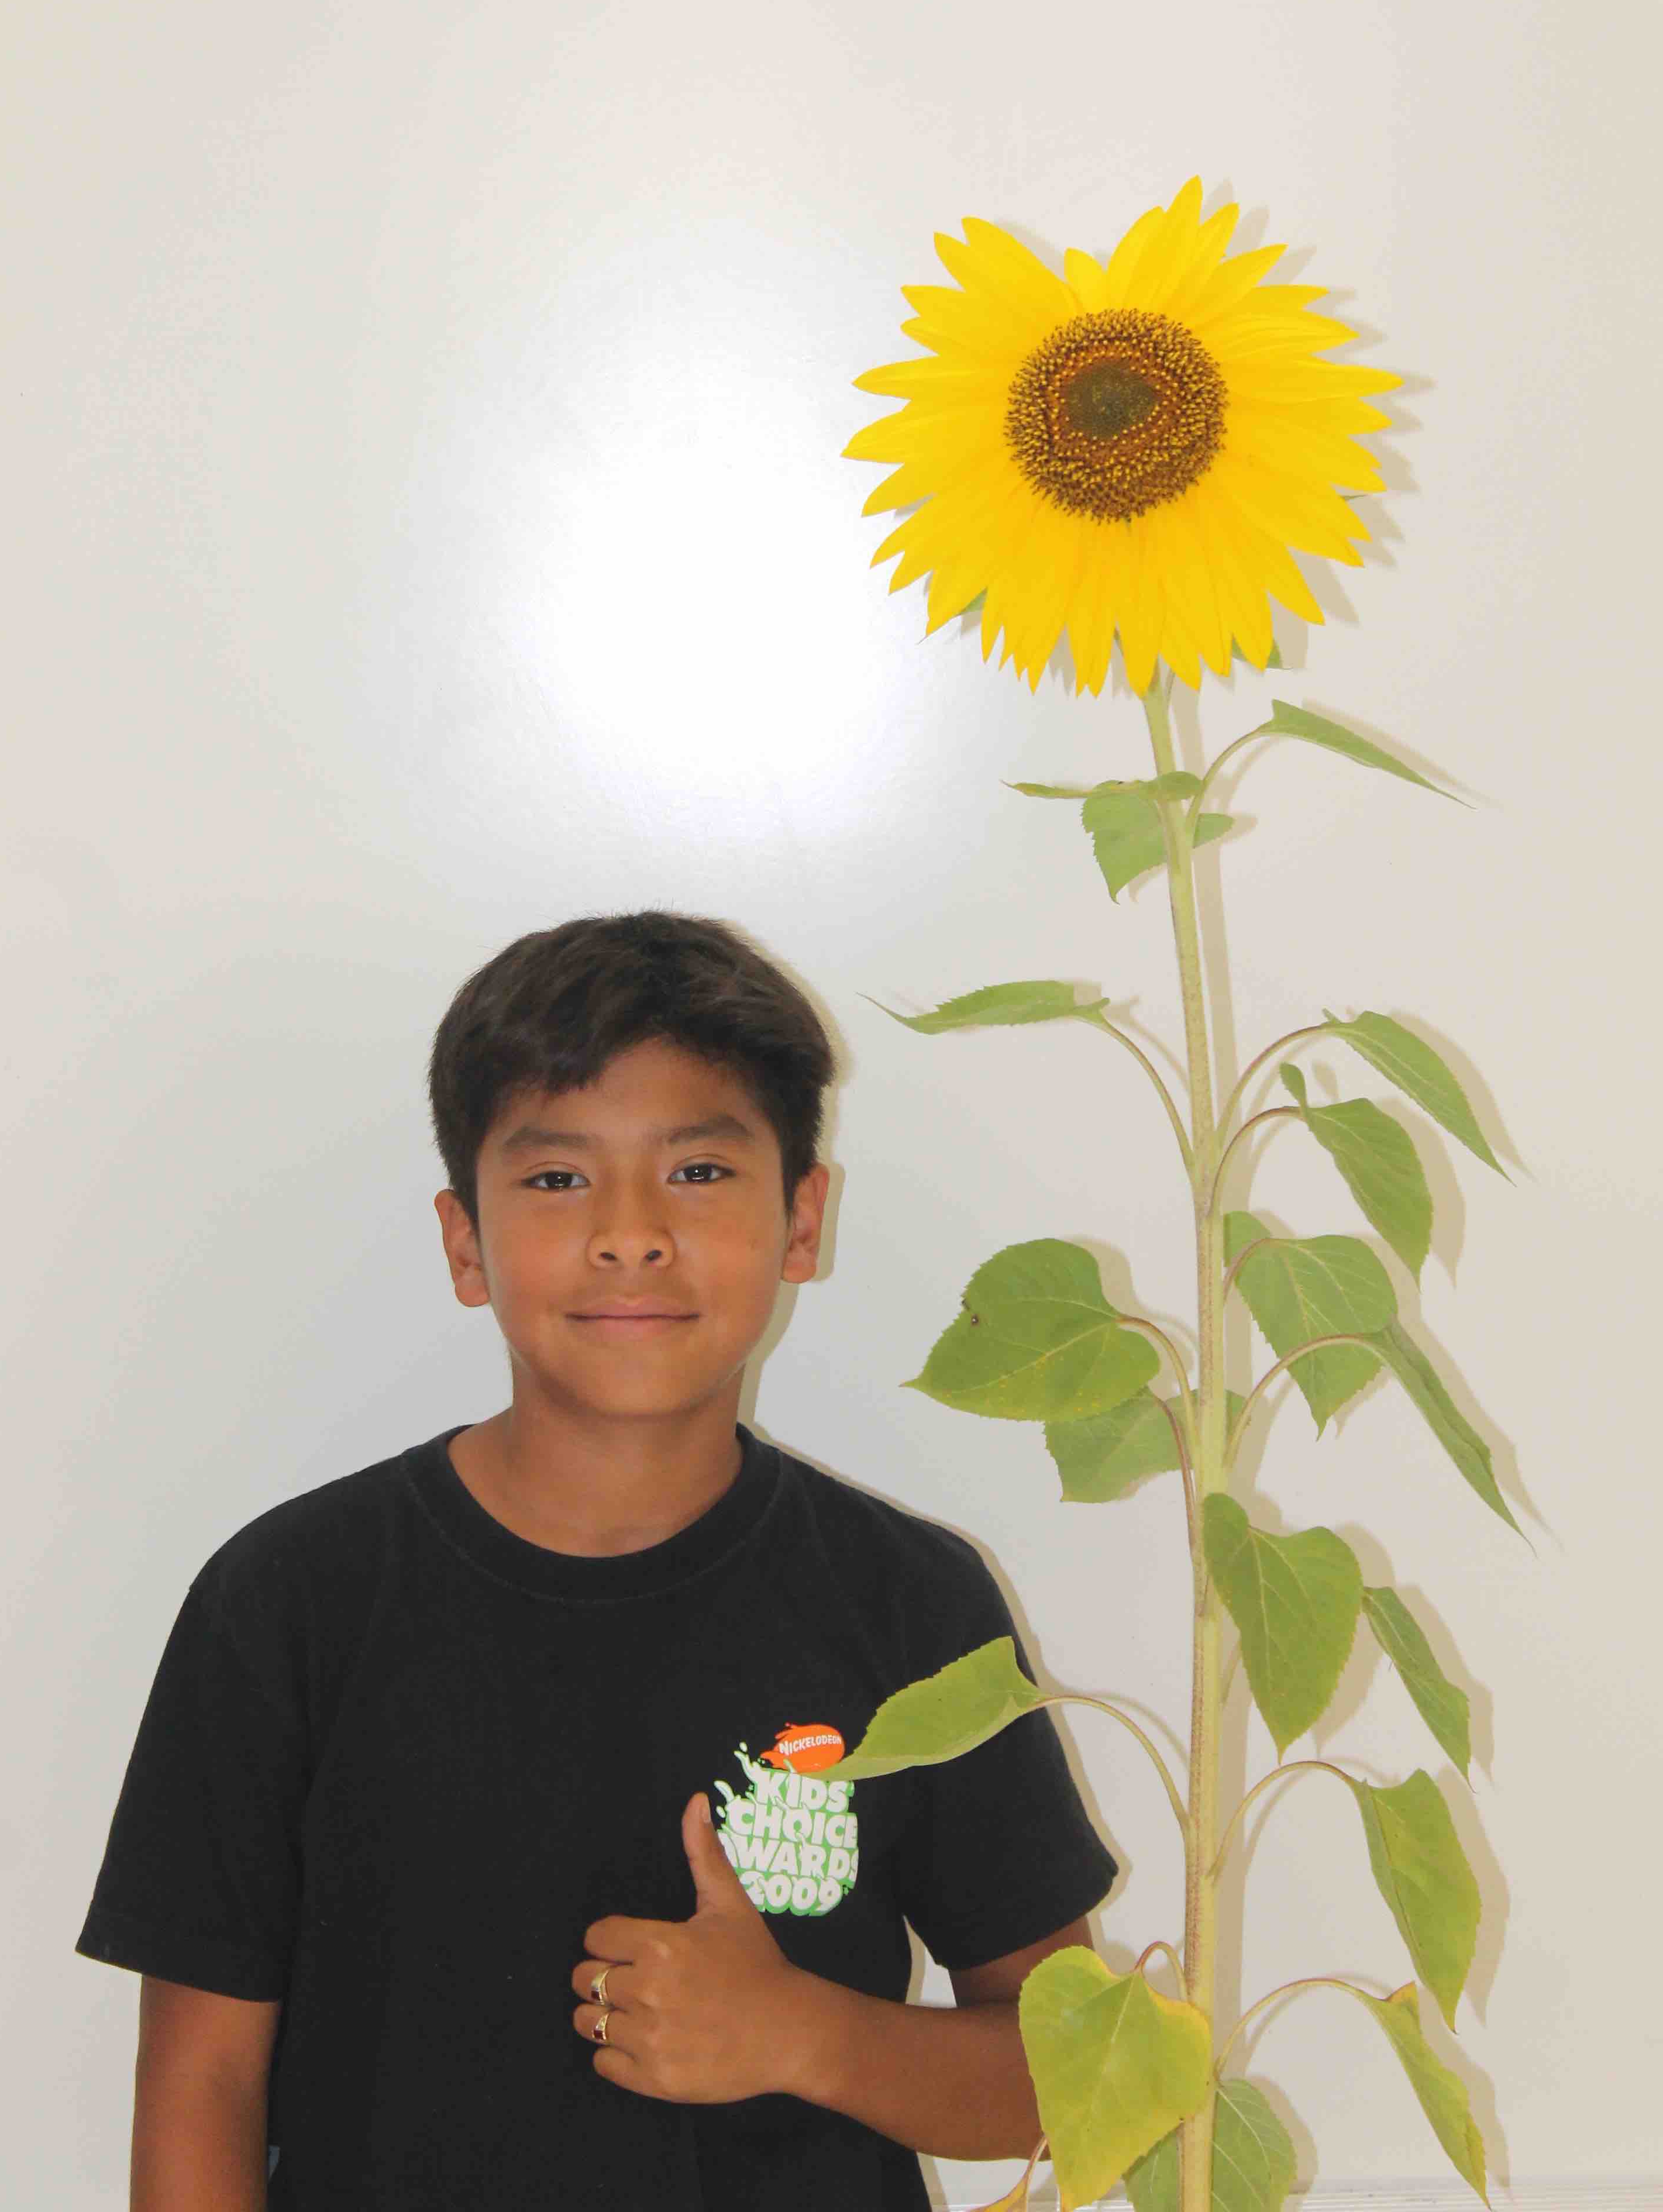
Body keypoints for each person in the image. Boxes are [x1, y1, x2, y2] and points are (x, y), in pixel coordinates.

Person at [76, 910, 1118, 2210]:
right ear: (466, 1243)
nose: (631, 1234)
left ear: (802, 1221)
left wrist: (805, 2034)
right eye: (559, 1179)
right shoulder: (288, 1602)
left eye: (698, 1170)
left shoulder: (911, 1604)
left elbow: (1069, 2080)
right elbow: (202, 2082)